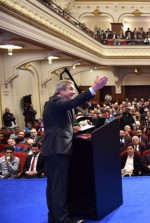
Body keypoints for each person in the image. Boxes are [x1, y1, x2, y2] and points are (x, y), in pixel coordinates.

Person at [42, 76, 108, 223]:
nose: (73, 92)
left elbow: (60, 124)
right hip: (57, 149)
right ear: (60, 90)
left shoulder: (60, 104)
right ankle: (61, 219)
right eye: (70, 89)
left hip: (57, 148)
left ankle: (55, 217)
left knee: (54, 186)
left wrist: (73, 129)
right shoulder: (55, 102)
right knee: (58, 187)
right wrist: (94, 88)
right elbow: (73, 103)